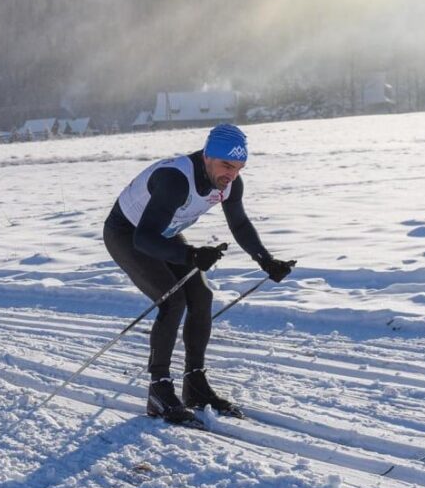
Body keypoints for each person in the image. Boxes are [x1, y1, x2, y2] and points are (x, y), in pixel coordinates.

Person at [103, 123, 296, 424]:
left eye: (239, 167)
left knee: (201, 294)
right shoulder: (175, 180)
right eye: (226, 165)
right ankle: (159, 388)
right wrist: (190, 255)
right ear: (207, 156)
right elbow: (144, 239)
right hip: (127, 234)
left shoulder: (230, 183)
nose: (231, 174)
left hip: (163, 233)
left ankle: (195, 384)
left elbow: (240, 225)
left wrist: (266, 261)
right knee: (172, 299)